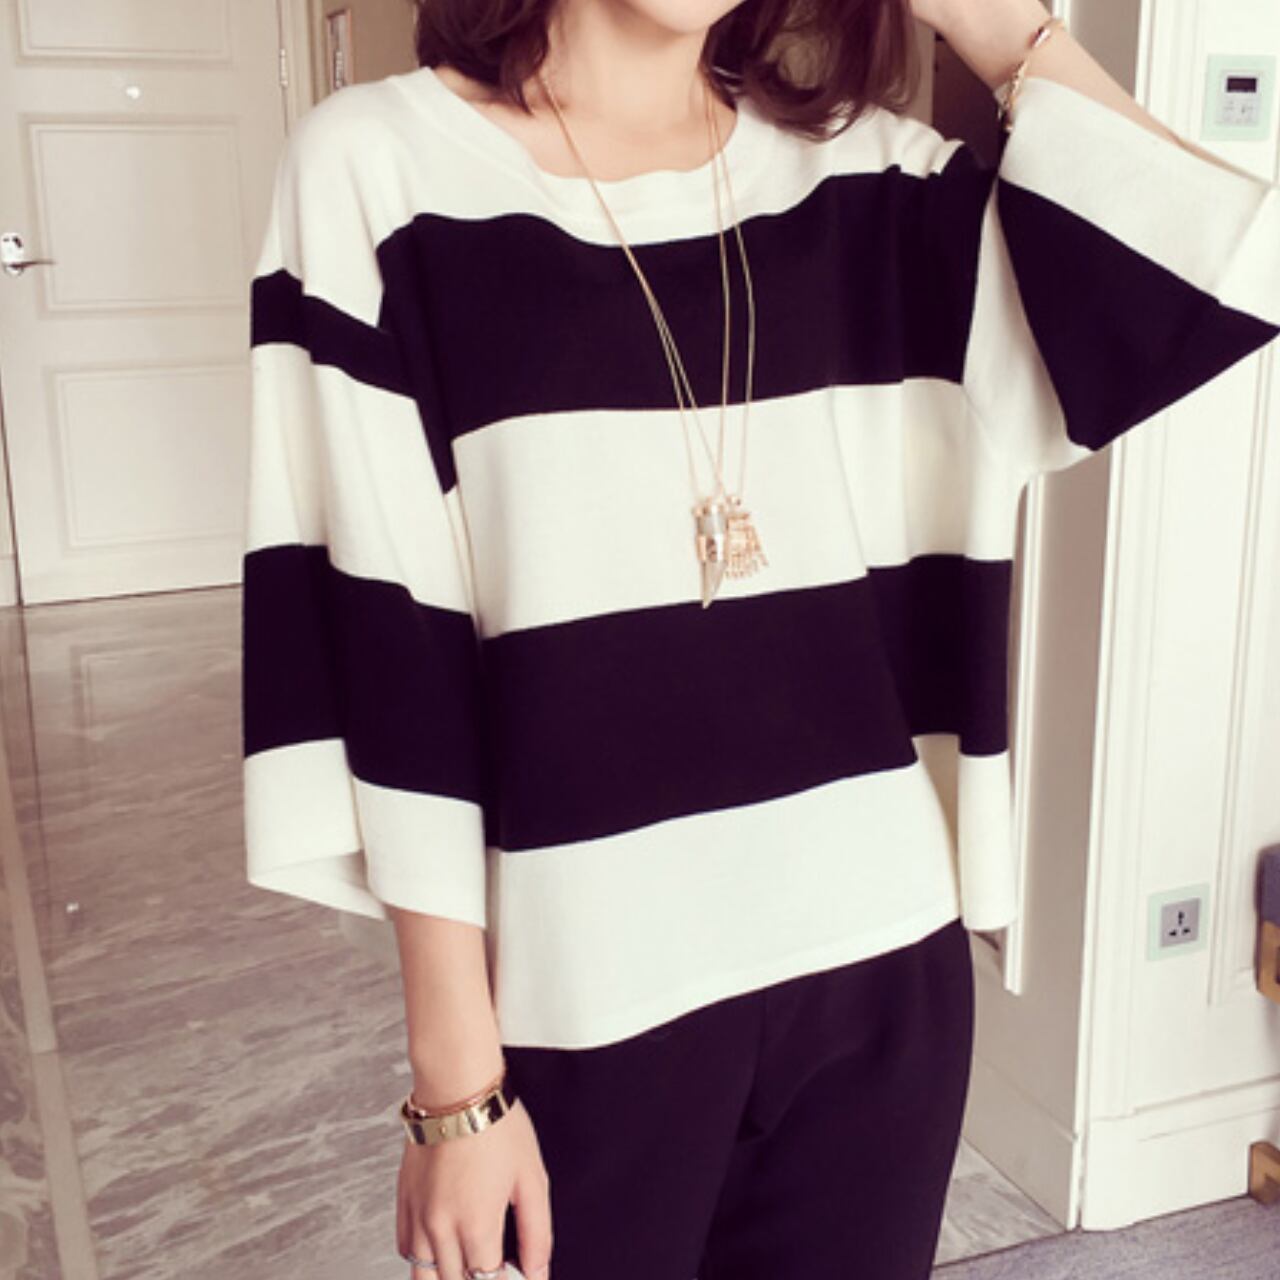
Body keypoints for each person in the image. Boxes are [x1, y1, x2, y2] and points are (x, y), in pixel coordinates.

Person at [240, 1, 1280, 1278]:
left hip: (880, 977)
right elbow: (384, 647)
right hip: (585, 991)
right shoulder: (375, 171)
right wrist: (456, 1086)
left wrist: (995, 24)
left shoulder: (870, 180)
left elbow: (1224, 275)